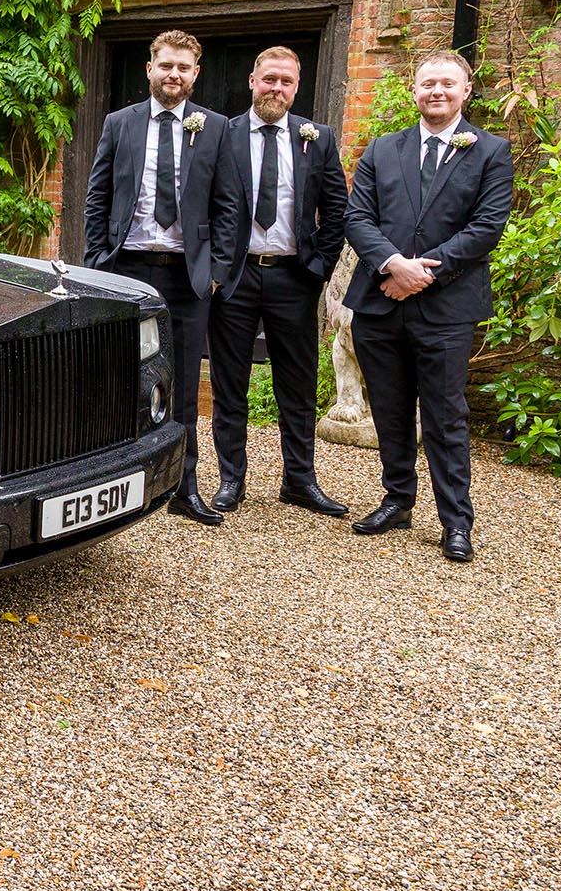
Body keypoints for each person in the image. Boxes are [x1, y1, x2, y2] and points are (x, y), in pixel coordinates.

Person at [341, 48, 513, 562]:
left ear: (466, 91)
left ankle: (455, 520)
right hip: (380, 302)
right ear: (414, 91)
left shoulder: (491, 151)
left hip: (446, 309)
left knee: (445, 415)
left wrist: (421, 275)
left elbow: (486, 227)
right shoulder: (383, 149)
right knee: (389, 409)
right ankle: (397, 500)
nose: (436, 91)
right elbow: (357, 217)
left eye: (447, 84)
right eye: (427, 84)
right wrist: (394, 264)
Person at [83, 29, 241, 526]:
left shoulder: (215, 128)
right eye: (166, 65)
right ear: (149, 69)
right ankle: (110, 484)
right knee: (117, 377)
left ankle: (183, 487)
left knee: (184, 386)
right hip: (127, 269)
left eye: (183, 67)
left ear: (196, 74)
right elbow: (98, 196)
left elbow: (229, 205)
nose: (174, 74)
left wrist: (216, 272)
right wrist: (97, 264)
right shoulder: (119, 123)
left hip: (186, 277)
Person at [209, 46, 348, 517]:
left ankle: (299, 480)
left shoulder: (318, 138)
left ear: (296, 86)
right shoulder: (222, 135)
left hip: (294, 276)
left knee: (298, 382)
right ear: (252, 81)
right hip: (236, 277)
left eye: (286, 81)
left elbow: (337, 209)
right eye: (269, 79)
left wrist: (318, 268)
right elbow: (204, 204)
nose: (277, 88)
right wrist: (214, 270)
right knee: (230, 381)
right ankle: (232, 478)